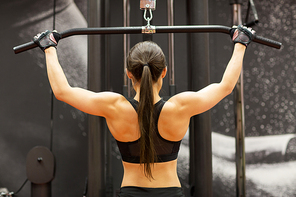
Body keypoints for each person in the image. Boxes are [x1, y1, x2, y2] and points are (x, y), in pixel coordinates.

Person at [33, 25, 255, 197]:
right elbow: (225, 86)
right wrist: (240, 43)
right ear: (164, 72)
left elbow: (62, 91)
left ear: (129, 73)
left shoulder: (115, 106)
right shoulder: (180, 107)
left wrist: (49, 47)